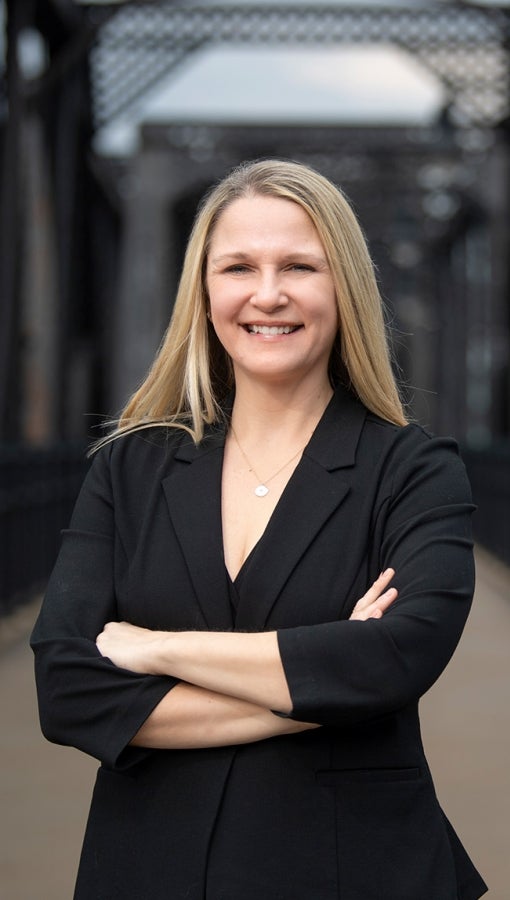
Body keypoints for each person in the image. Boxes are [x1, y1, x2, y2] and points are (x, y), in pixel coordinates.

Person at [31, 159, 487, 900]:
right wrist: (328, 685)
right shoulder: (129, 470)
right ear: (203, 291)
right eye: (238, 266)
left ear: (343, 288)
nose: (267, 294)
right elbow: (68, 691)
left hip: (354, 872)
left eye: (300, 266)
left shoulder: (413, 471)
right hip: (150, 870)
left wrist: (158, 649)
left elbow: (399, 656)